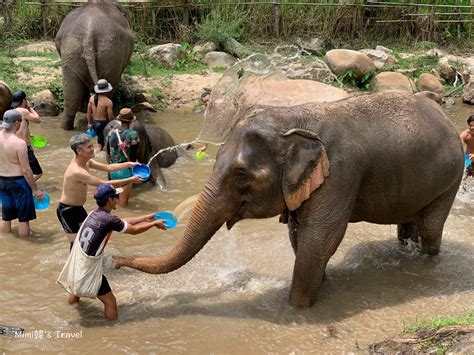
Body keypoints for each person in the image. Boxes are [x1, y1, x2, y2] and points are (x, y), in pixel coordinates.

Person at [60, 183, 166, 320]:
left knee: (76, 287)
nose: (117, 198)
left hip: (78, 261)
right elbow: (133, 231)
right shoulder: (108, 220)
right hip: (89, 268)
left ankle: (68, 310)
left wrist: (145, 218)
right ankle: (111, 329)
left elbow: (122, 222)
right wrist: (153, 224)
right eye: (116, 196)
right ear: (109, 200)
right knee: (110, 303)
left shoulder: (95, 214)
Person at [57, 133, 143, 251]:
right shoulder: (76, 171)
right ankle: (74, 267)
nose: (93, 149)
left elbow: (108, 168)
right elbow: (104, 184)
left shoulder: (86, 161)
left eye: (92, 145)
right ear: (79, 151)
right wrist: (131, 180)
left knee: (85, 239)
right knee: (75, 243)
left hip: (78, 208)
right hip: (67, 210)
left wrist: (129, 164)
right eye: (89, 147)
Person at [0, 109, 43, 237]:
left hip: (2, 181)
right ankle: (26, 245)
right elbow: (26, 170)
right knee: (24, 219)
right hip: (18, 182)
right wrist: (35, 189)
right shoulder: (19, 143)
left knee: (6, 216)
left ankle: (6, 240)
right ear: (17, 123)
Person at [106, 108, 140, 208]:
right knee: (123, 205)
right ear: (131, 121)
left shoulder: (111, 132)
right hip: (125, 170)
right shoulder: (133, 134)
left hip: (112, 170)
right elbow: (134, 155)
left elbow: (108, 152)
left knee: (113, 203)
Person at [11, 90, 43, 181]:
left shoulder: (12, 111)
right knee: (37, 173)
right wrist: (29, 107)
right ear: (24, 100)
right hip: (24, 147)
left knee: (21, 171)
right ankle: (26, 187)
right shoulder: (23, 111)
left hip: (13, 147)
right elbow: (38, 119)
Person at [87, 79, 114, 153]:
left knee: (100, 142)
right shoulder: (108, 102)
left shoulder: (91, 98)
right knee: (104, 144)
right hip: (103, 124)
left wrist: (89, 123)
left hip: (95, 124)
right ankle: (96, 155)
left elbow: (89, 112)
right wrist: (113, 126)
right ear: (106, 90)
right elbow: (110, 117)